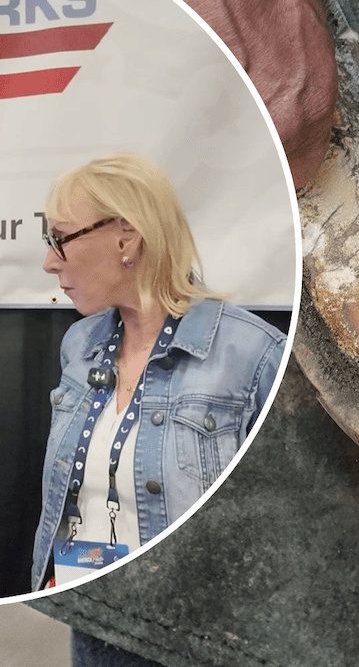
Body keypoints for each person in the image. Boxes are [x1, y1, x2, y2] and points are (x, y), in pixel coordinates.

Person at [32, 152, 286, 590]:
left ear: (126, 239)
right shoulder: (80, 345)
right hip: (94, 610)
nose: (49, 262)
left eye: (60, 239)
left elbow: (281, 526)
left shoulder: (253, 355)